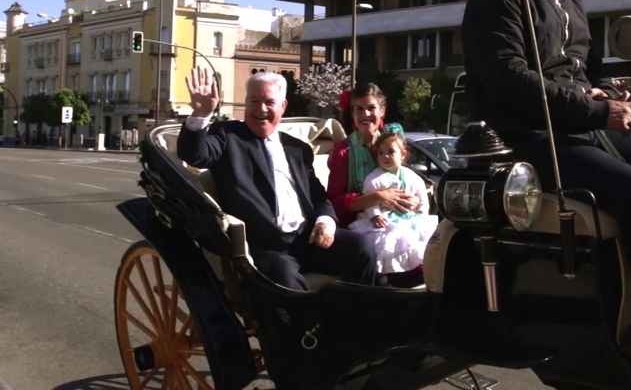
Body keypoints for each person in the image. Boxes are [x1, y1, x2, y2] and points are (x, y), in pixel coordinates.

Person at [462, 0, 631, 260]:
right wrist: (598, 110)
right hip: (536, 138)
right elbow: (509, 79)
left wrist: (616, 94)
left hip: (585, 127)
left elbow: (590, 69)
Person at [177, 67, 376, 291]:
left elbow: (319, 197)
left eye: (269, 102)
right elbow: (194, 154)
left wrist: (325, 222)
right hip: (268, 249)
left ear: (283, 107)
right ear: (246, 104)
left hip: (309, 239)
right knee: (287, 283)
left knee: (362, 247)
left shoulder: (297, 149)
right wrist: (201, 114)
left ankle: (357, 318)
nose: (261, 109)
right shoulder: (227, 136)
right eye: (254, 101)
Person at [327, 82, 424, 286]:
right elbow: (333, 203)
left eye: (371, 108)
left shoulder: (393, 144)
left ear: (382, 111)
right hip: (363, 227)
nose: (365, 114)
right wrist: (378, 197)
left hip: (402, 223)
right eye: (359, 109)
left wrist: (414, 201)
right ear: (352, 113)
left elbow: (409, 181)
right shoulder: (343, 152)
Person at [348, 124, 438, 276]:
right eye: (381, 153)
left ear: (402, 154)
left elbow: (421, 194)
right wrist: (374, 215)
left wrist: (421, 210)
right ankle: (388, 275)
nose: (385, 156)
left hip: (410, 218)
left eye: (390, 152)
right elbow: (369, 199)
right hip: (386, 219)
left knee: (422, 237)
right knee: (390, 241)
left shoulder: (411, 176)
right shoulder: (374, 179)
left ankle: (416, 270)